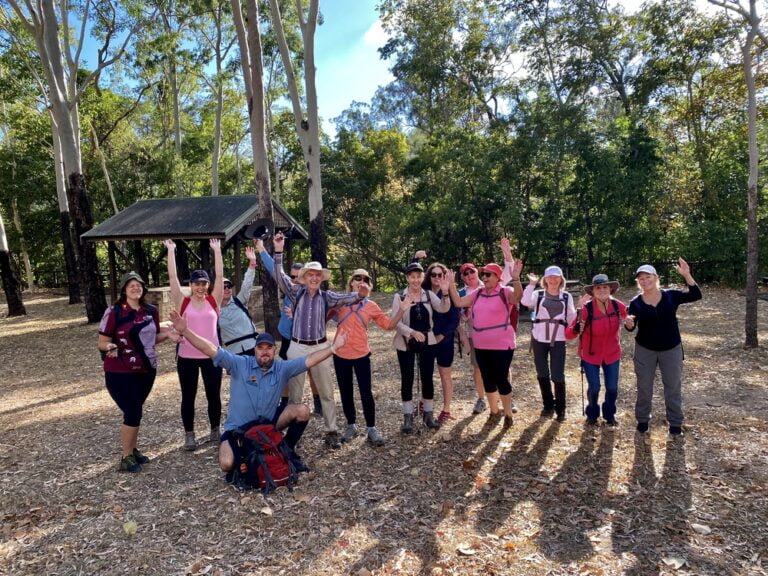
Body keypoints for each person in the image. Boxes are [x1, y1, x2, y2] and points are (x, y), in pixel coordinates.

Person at [168, 310, 349, 472]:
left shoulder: (282, 368)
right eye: (260, 348)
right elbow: (210, 349)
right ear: (254, 350)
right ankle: (246, 449)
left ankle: (285, 448)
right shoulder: (240, 364)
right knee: (226, 464)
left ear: (274, 350)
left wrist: (333, 348)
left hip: (267, 425)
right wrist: (186, 331)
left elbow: (309, 360)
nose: (264, 352)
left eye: (268, 348)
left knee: (302, 410)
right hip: (237, 429)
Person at [272, 232, 369, 449]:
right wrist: (278, 252)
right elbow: (279, 276)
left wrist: (361, 295)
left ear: (321, 278)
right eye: (310, 275)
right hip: (296, 346)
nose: (314, 278)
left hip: (321, 346)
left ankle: (331, 431)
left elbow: (348, 298)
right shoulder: (296, 292)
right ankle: (293, 435)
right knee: (295, 393)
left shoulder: (327, 296)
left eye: (317, 275)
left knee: (326, 390)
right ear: (305, 278)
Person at [98, 272, 175, 472]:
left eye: (138, 285)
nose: (135, 288)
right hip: (120, 371)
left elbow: (151, 338)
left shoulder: (151, 311)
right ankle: (126, 456)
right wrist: (110, 347)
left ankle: (132, 449)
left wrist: (167, 335)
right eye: (131, 285)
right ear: (124, 289)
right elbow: (102, 341)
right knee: (133, 411)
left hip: (147, 369)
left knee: (135, 411)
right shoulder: (115, 312)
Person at [328, 269, 414, 446]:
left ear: (370, 285)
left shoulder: (371, 306)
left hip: (361, 354)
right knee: (345, 392)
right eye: (357, 278)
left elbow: (388, 326)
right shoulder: (340, 302)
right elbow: (322, 315)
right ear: (351, 282)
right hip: (340, 354)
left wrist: (402, 310)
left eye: (365, 279)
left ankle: (371, 429)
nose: (361, 281)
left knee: (366, 392)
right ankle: (351, 425)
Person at [624, 259, 701, 436]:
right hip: (645, 349)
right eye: (641, 279)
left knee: (673, 386)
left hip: (671, 348)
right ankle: (642, 421)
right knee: (644, 387)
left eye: (648, 277)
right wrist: (628, 324)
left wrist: (686, 274)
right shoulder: (635, 302)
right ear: (638, 282)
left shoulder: (671, 295)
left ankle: (675, 423)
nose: (645, 281)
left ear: (656, 277)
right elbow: (631, 327)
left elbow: (696, 294)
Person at [164, 238, 224, 450]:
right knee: (188, 397)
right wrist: (171, 250)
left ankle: (215, 429)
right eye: (196, 283)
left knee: (213, 395)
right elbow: (172, 277)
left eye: (203, 283)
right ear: (190, 285)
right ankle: (189, 435)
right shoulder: (184, 302)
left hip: (212, 356)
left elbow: (219, 276)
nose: (200, 287)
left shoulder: (213, 300)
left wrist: (217, 250)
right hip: (187, 358)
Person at [448, 261, 523, 428]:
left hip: (503, 343)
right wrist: (451, 285)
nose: (484, 277)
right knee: (487, 378)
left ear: (498, 277)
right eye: (483, 274)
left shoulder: (505, 291)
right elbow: (459, 302)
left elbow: (517, 297)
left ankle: (508, 414)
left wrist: (516, 279)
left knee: (501, 378)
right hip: (481, 343)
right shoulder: (478, 293)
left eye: (488, 274)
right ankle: (494, 412)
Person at [255, 241, 323, 417]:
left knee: (312, 371)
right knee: (285, 372)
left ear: (304, 278)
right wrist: (261, 249)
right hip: (288, 338)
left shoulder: (312, 295)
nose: (293, 280)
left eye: (296, 277)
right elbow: (274, 268)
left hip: (306, 339)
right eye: (291, 277)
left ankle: (319, 404)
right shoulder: (289, 290)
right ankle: (285, 404)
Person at [392, 262, 451, 433]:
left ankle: (428, 414)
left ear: (422, 277)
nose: (416, 280)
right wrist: (411, 332)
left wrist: (446, 292)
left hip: (427, 340)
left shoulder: (429, 294)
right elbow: (396, 322)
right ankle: (408, 416)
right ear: (407, 278)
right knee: (407, 377)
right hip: (405, 342)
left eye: (419, 276)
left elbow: (443, 308)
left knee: (427, 377)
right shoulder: (400, 296)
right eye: (412, 276)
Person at [565, 274, 628, 426]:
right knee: (594, 387)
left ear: (610, 289)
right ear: (593, 291)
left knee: (612, 388)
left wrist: (630, 321)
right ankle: (592, 413)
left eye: (605, 287)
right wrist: (575, 328)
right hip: (590, 355)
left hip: (612, 353)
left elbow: (628, 317)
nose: (602, 290)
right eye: (598, 288)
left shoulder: (616, 305)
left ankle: (609, 415)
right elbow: (568, 334)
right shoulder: (586, 309)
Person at [521, 265, 577, 422]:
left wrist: (581, 311)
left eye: (556, 276)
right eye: (550, 277)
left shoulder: (566, 297)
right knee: (542, 373)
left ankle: (561, 409)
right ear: (545, 279)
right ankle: (548, 405)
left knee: (558, 374)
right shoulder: (538, 294)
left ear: (561, 279)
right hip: (539, 338)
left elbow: (572, 317)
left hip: (558, 339)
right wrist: (531, 284)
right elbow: (525, 302)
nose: (553, 279)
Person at [423, 262, 461, 424]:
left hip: (444, 340)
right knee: (426, 374)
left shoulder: (452, 293)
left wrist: (442, 336)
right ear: (429, 277)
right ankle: (426, 404)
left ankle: (446, 409)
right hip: (426, 339)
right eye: (434, 275)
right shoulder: (423, 293)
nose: (437, 277)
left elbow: (455, 319)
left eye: (441, 274)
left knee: (445, 375)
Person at [218, 245, 259, 355]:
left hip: (252, 347)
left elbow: (247, 284)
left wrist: (252, 262)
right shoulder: (213, 311)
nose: (227, 289)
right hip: (233, 354)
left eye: (229, 286)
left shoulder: (239, 301)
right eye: (223, 286)